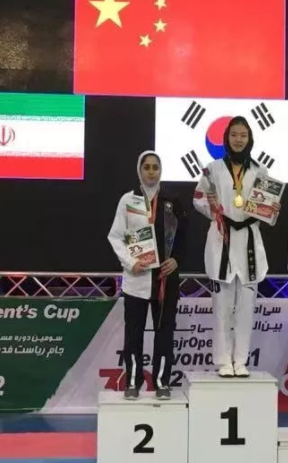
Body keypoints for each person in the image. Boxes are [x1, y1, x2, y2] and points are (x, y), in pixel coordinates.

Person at [193, 116, 280, 378]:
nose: (238, 139)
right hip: (222, 239)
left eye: (243, 135)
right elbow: (198, 198)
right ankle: (223, 361)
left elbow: (267, 209)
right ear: (226, 138)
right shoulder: (212, 169)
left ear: (249, 139)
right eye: (234, 135)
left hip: (250, 241)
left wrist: (273, 209)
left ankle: (240, 360)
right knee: (221, 307)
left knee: (245, 309)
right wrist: (212, 208)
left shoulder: (260, 170)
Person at [108, 151, 187, 400]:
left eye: (155, 167)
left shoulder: (173, 200)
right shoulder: (128, 200)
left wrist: (177, 259)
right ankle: (133, 381)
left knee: (164, 334)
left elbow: (185, 235)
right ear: (139, 170)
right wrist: (130, 262)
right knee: (133, 334)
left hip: (165, 279)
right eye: (147, 167)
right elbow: (115, 236)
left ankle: (162, 381)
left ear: (160, 170)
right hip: (137, 280)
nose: (151, 172)